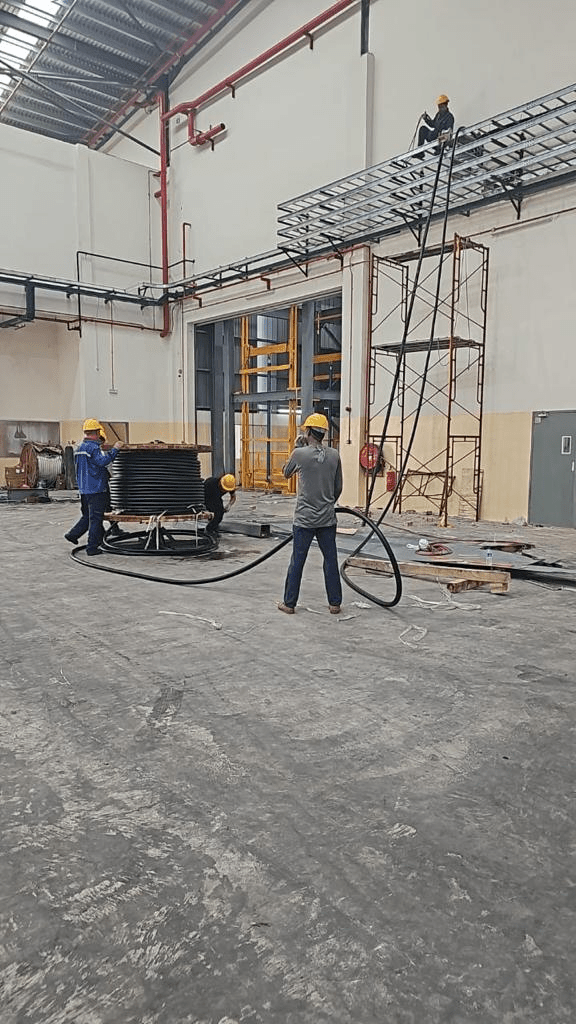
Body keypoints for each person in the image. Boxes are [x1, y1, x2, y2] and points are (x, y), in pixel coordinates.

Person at [278, 413, 343, 615]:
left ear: (307, 432)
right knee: (330, 560)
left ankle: (289, 604)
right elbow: (338, 487)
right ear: (324, 433)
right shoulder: (334, 455)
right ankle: (334, 604)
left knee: (298, 560)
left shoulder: (300, 454)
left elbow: (286, 472)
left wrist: (297, 448)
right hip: (327, 518)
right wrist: (327, 501)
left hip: (305, 519)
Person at [64, 419, 123, 555]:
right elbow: (102, 462)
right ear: (96, 432)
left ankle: (73, 535)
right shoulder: (93, 448)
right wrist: (115, 449)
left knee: (87, 516)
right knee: (95, 519)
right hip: (96, 489)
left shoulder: (79, 448)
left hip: (84, 489)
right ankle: (92, 548)